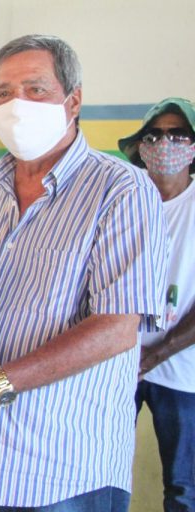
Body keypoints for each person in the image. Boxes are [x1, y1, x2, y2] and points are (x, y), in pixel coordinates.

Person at [0, 34, 168, 511]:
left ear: (73, 101)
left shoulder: (121, 190)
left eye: (36, 89)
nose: (17, 105)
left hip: (59, 469)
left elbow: (118, 327)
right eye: (4, 93)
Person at [118, 97, 195, 512]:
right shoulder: (124, 199)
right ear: (140, 146)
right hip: (116, 361)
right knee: (102, 468)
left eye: (178, 134)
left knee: (183, 488)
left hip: (183, 372)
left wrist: (157, 353)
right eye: (154, 134)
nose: (165, 143)